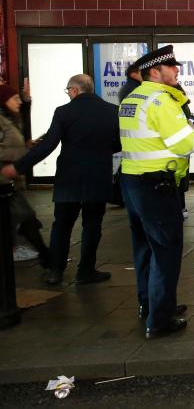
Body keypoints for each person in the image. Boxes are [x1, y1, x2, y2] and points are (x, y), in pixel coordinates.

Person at [2, 74, 119, 285]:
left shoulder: (64, 112)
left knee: (62, 225)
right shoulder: (111, 111)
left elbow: (48, 145)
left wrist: (19, 167)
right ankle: (86, 271)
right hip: (98, 176)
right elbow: (118, 144)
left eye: (68, 91)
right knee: (92, 225)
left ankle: (55, 271)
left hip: (69, 178)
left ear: (74, 90)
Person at [118, 46, 194, 338]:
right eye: (171, 67)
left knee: (144, 248)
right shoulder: (160, 101)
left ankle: (149, 305)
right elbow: (184, 145)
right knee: (166, 251)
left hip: (133, 181)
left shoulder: (132, 98)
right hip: (156, 185)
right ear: (155, 72)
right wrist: (193, 129)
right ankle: (160, 320)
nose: (177, 70)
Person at [0, 83, 50, 266]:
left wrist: (27, 146)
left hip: (10, 182)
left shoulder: (9, 119)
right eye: (15, 99)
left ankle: (45, 257)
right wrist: (18, 155)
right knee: (26, 220)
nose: (18, 102)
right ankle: (46, 257)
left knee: (25, 220)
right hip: (3, 182)